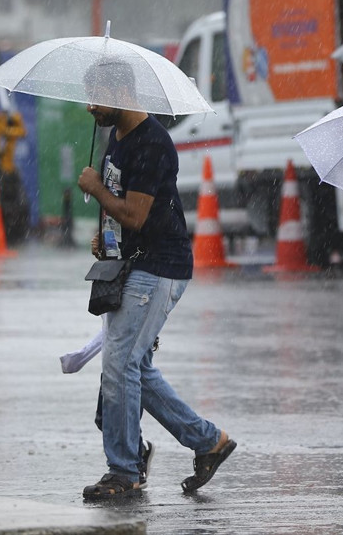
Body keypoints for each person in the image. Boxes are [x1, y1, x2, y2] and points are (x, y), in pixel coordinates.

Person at [77, 61, 235, 499]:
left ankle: (124, 471)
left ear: (122, 92)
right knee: (136, 369)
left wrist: (95, 190)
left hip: (159, 267)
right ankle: (209, 442)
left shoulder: (153, 143)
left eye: (96, 98)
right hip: (133, 263)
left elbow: (137, 214)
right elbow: (121, 215)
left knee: (121, 365)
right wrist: (105, 239)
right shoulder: (117, 136)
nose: (90, 108)